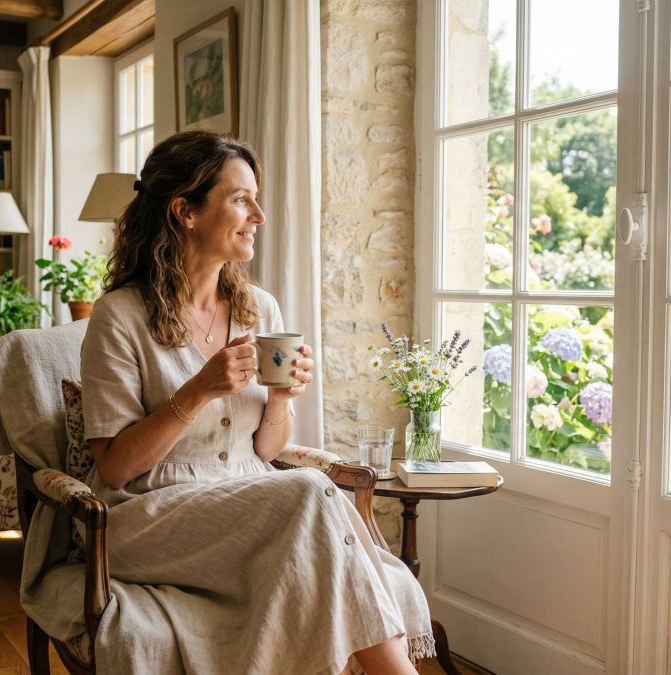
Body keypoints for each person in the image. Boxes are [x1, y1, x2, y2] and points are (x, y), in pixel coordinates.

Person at [80, 130, 433, 675]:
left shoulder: (258, 309)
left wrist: (281, 398)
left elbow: (267, 449)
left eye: (257, 199)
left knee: (309, 517)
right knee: (310, 492)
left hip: (247, 496)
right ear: (185, 211)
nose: (259, 216)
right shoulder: (119, 317)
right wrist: (198, 389)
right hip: (149, 512)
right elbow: (116, 467)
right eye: (241, 199)